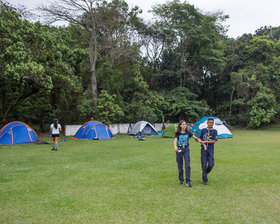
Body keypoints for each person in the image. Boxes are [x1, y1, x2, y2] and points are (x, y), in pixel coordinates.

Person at [173, 120, 204, 187]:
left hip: (186, 150)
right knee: (180, 166)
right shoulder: (177, 133)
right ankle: (181, 179)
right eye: (183, 124)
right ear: (180, 125)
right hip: (179, 150)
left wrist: (200, 141)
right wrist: (175, 146)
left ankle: (188, 181)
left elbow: (195, 137)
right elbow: (175, 140)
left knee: (187, 165)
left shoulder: (188, 132)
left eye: (185, 124)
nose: (185, 125)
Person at [199, 118, 218, 185]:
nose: (210, 123)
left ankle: (204, 173)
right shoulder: (203, 130)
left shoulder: (215, 131)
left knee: (211, 164)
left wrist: (205, 141)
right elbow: (201, 138)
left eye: (212, 122)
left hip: (210, 149)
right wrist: (202, 143)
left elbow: (213, 141)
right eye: (209, 122)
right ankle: (205, 179)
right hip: (203, 150)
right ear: (207, 123)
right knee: (204, 164)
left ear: (213, 124)